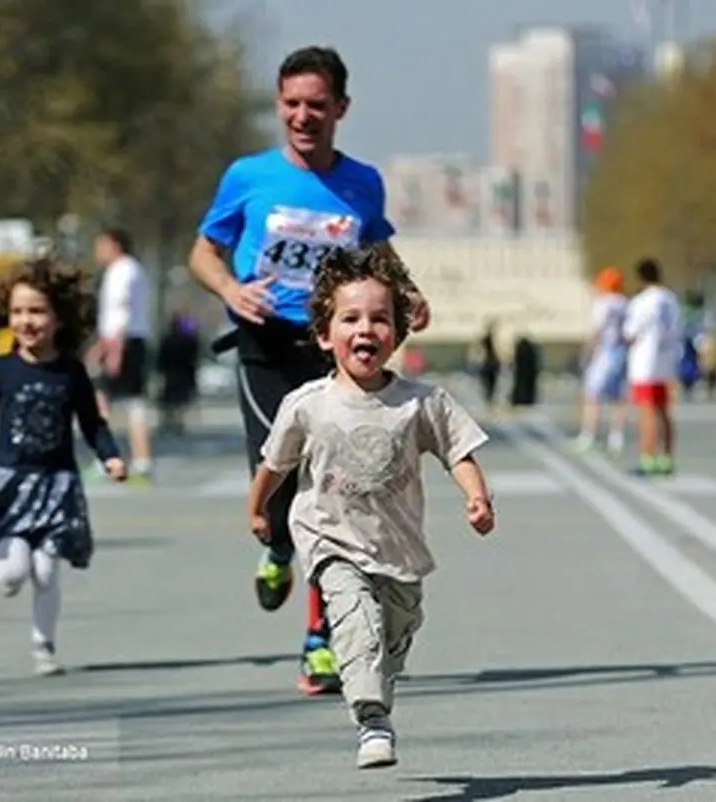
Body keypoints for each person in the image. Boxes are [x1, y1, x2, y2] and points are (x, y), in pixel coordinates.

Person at [187, 45, 432, 695]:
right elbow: (203, 252)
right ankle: (276, 551)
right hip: (264, 345)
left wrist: (404, 293)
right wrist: (229, 292)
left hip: (331, 350)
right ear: (279, 106)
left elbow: (377, 252)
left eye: (316, 105)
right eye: (292, 104)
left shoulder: (362, 183)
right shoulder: (248, 176)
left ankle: (321, 639)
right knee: (279, 487)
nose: (303, 116)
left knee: (329, 488)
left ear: (341, 110)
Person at [246, 245, 493, 768]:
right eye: (350, 318)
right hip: (330, 537)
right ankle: (371, 718)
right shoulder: (307, 405)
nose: (365, 329)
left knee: (398, 628)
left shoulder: (421, 402)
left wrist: (476, 495)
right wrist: (258, 509)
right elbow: (274, 465)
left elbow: (458, 451)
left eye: (379, 319)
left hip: (398, 547)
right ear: (324, 334)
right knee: (355, 620)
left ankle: (376, 685)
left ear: (398, 332)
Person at [0, 254, 126, 676]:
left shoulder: (71, 371)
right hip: (11, 485)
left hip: (57, 485)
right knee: (13, 575)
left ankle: (43, 645)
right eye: (19, 311)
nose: (27, 321)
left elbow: (92, 424)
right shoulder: (1, 370)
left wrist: (110, 456)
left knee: (46, 570)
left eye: (37, 311)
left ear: (59, 318)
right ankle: (3, 552)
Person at [90, 228, 153, 483]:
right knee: (131, 402)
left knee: (104, 401)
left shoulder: (120, 271)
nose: (97, 252)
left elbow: (120, 313)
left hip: (122, 343)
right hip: (128, 341)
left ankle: (108, 458)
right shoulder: (133, 269)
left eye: (101, 245)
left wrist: (112, 350)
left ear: (114, 245)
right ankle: (140, 461)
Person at [622, 258, 683, 476]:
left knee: (646, 412)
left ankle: (647, 457)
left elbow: (630, 333)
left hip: (645, 364)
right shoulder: (670, 299)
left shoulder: (642, 301)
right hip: (666, 361)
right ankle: (666, 457)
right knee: (664, 412)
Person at [574, 266, 629, 455]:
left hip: (604, 352)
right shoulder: (624, 303)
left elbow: (597, 331)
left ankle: (589, 434)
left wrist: (587, 352)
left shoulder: (603, 303)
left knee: (592, 396)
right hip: (621, 351)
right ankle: (616, 436)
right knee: (617, 398)